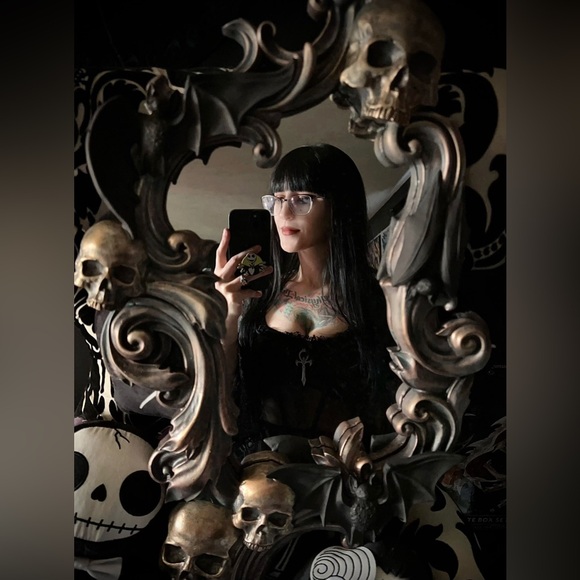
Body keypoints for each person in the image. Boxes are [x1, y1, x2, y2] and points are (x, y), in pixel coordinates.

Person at [214, 143, 396, 459]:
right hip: (258, 465)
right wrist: (229, 313)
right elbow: (225, 387)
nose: (283, 213)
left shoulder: (379, 298)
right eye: (278, 199)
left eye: (302, 199)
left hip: (346, 470)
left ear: (340, 205)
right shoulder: (258, 292)